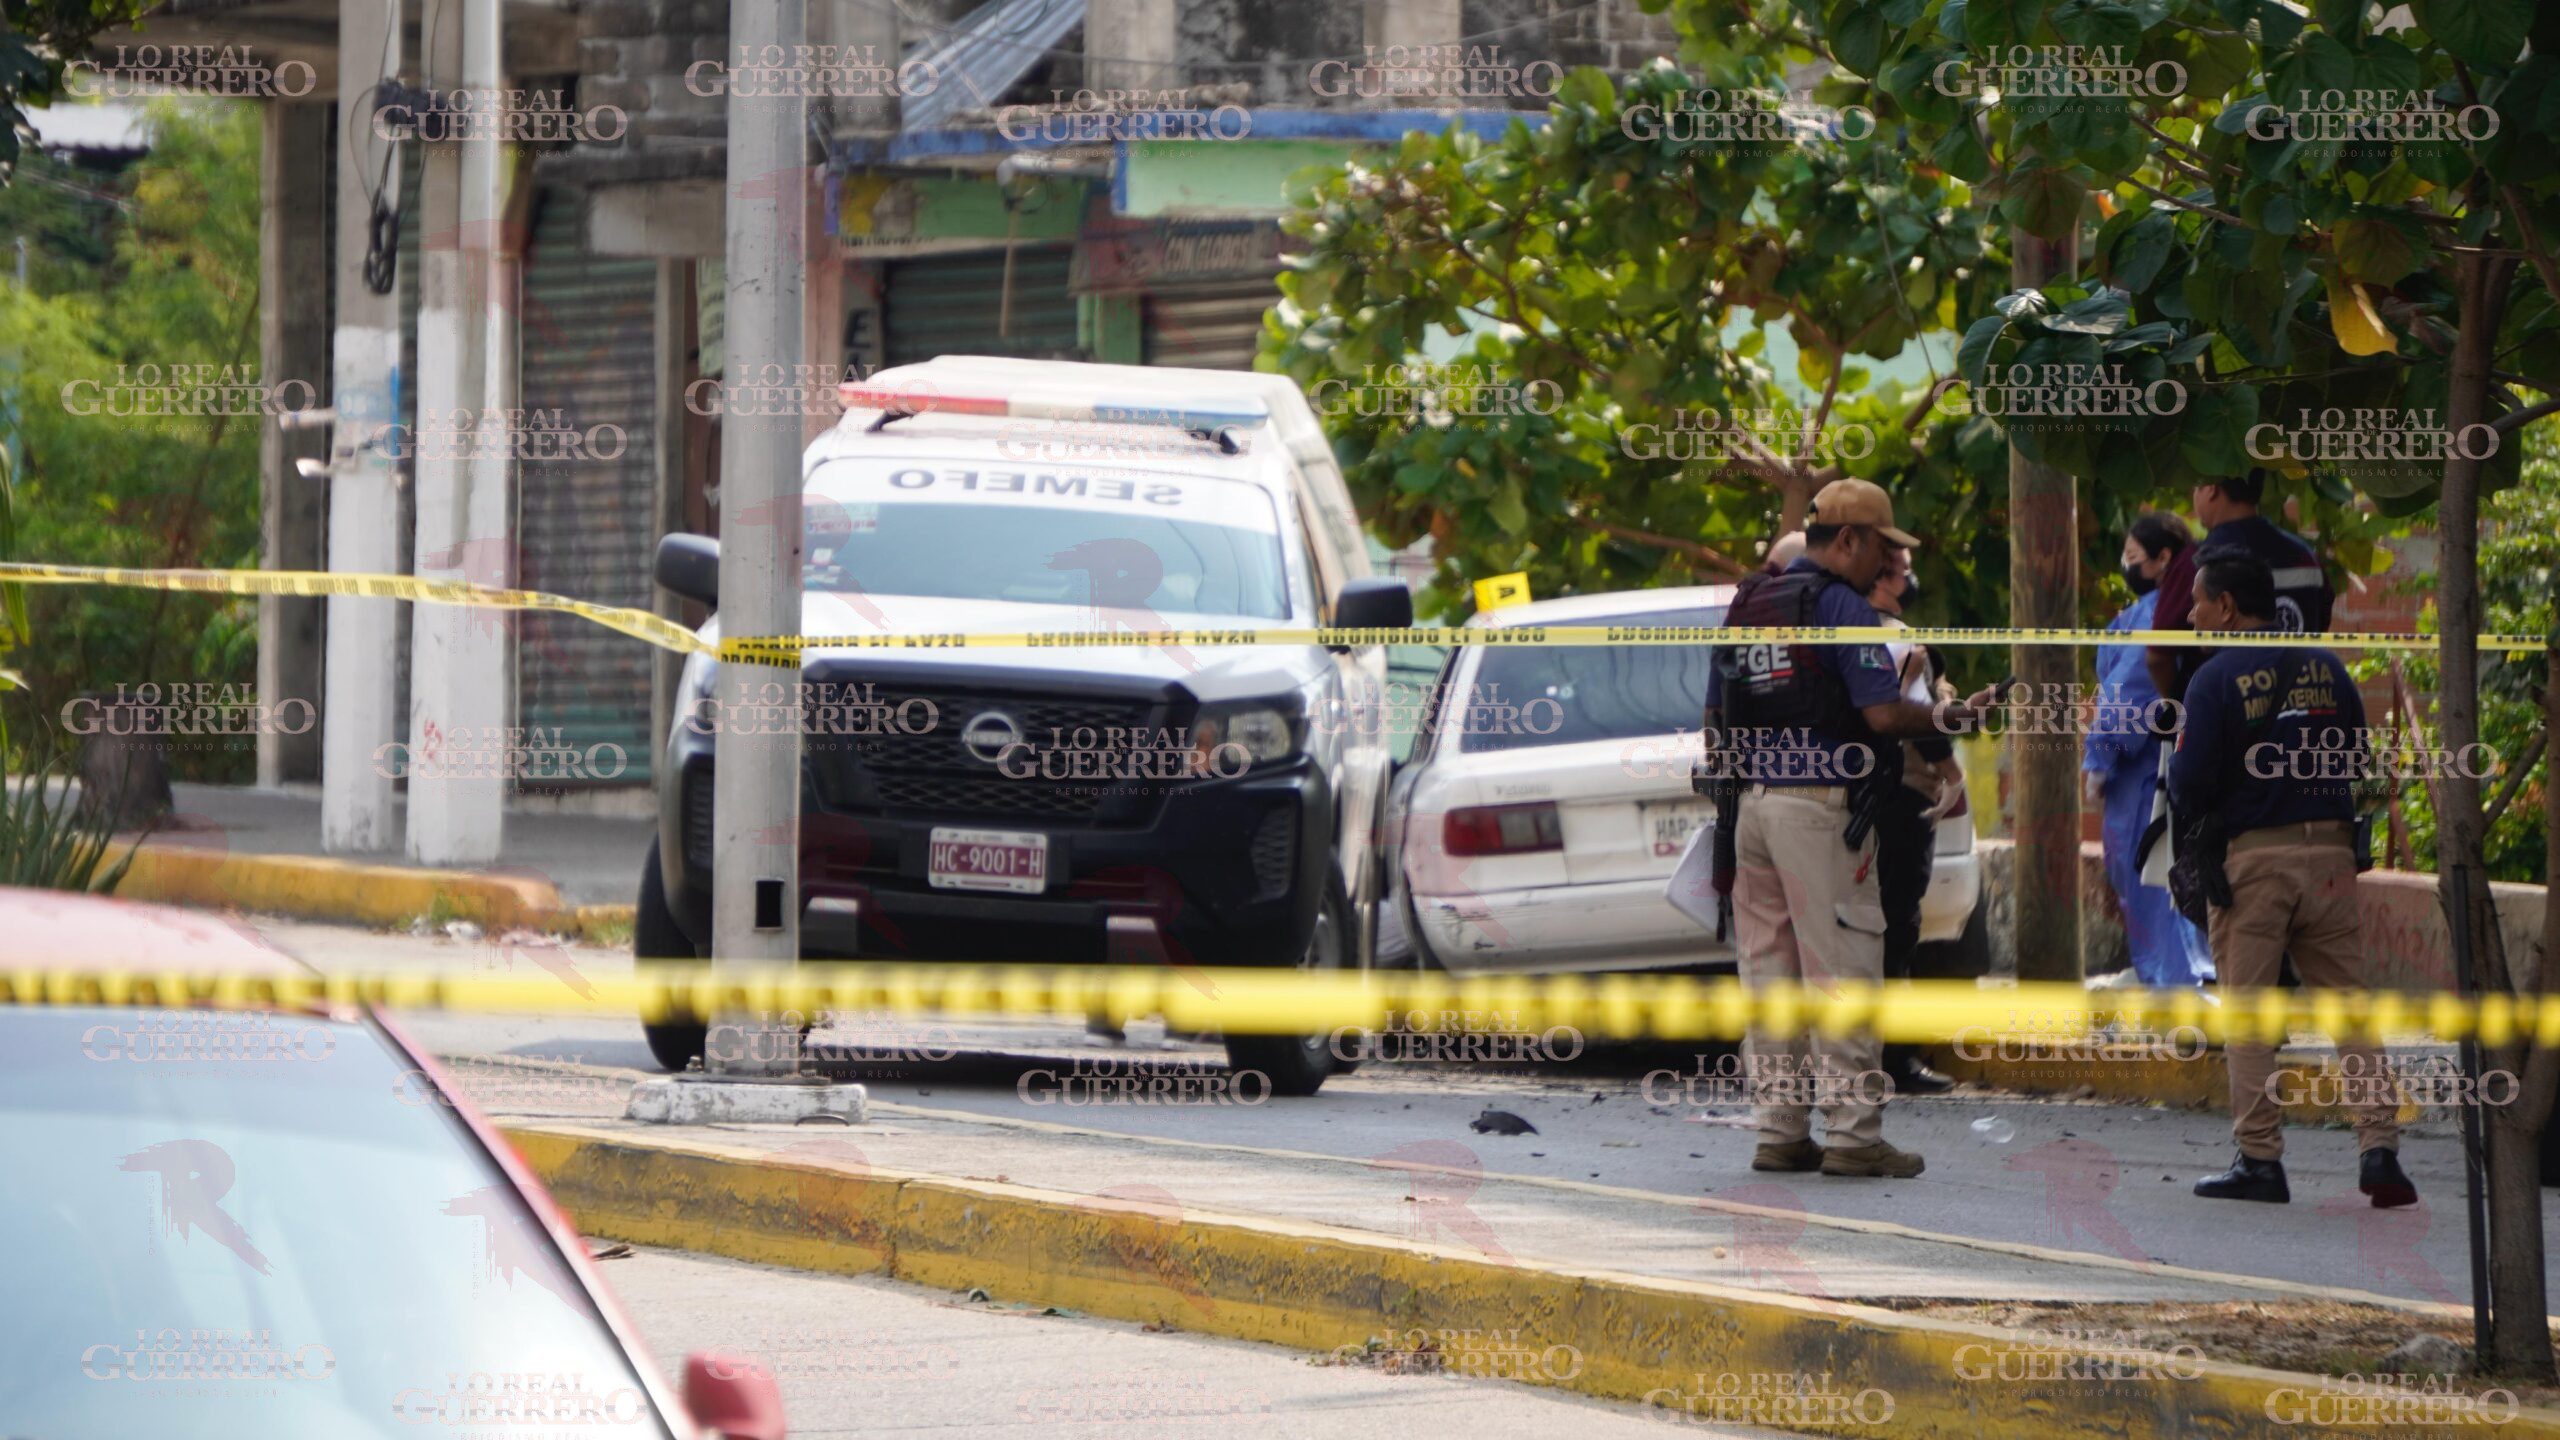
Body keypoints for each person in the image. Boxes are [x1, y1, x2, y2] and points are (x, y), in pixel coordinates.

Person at [1703, 479, 1999, 1179]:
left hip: (1750, 808)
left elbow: (1714, 722)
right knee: (1844, 971)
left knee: (1771, 978)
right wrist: (1954, 718)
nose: (1887, 568)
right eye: (1883, 549)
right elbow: (1884, 717)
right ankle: (1854, 1136)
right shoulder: (1845, 611)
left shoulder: (1751, 604)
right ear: (1850, 541)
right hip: (1819, 810)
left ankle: (1779, 1132)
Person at [2168, 553, 2414, 1208]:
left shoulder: (2213, 678)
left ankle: (2259, 1160)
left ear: (2225, 607)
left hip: (2255, 865)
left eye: (2197, 602)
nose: (2191, 615)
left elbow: (2187, 783)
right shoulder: (2328, 668)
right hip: (2331, 858)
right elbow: (2358, 754)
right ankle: (2381, 1149)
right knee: (2350, 1007)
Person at [2084, 513, 2214, 988]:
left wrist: (2100, 758)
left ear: (2163, 559)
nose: (2125, 565)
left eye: (2133, 557)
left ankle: (2173, 985)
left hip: (2142, 775)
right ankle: (2179, 979)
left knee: (2151, 881)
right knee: (2171, 878)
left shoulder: (2154, 616)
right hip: (2171, 764)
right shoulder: (2182, 608)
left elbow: (2127, 694)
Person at [1865, 546, 1961, 1094]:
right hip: (1903, 793)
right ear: (1883, 580)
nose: (1911, 578)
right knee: (1898, 925)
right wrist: (1953, 774)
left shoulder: (1843, 631)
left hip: (1857, 795)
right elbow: (1919, 721)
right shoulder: (1896, 637)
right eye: (1902, 569)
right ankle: (1895, 1058)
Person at [2144, 471, 2333, 706]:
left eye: (2196, 487)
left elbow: (2158, 656)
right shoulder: (2306, 557)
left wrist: (2179, 706)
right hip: (2301, 713)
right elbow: (2321, 626)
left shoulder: (2198, 562)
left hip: (2222, 716)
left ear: (2211, 487)